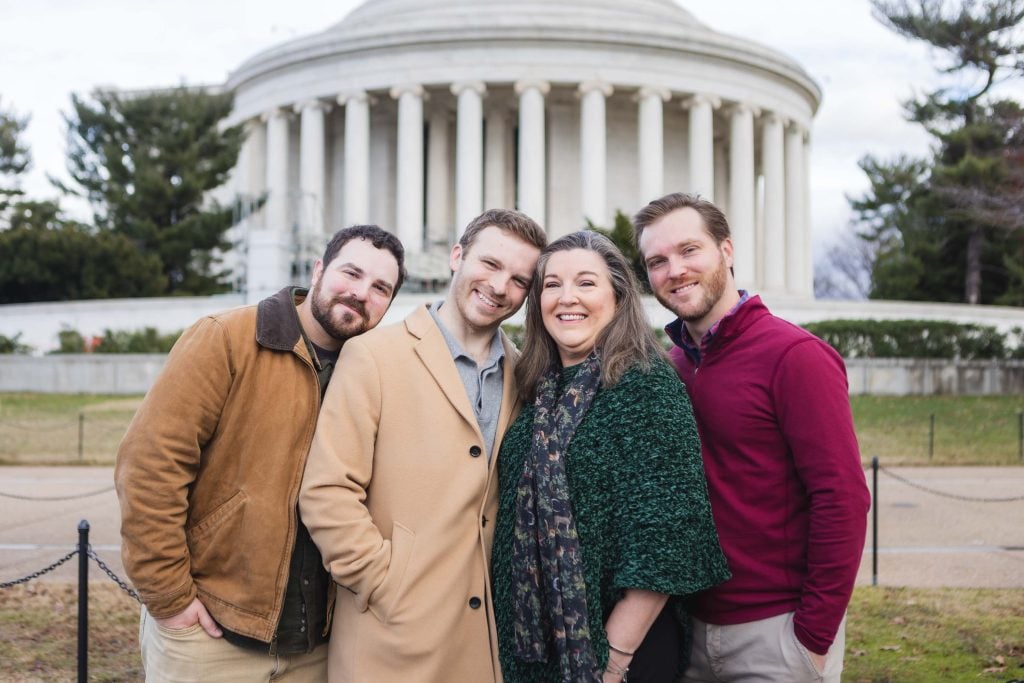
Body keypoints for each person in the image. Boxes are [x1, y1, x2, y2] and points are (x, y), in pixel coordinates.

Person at [114, 225, 406, 682]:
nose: (361, 293)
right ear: (319, 269)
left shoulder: (373, 373)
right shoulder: (226, 338)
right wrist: (171, 601)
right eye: (352, 273)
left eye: (380, 288)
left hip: (317, 646)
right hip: (211, 635)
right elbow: (149, 469)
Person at [298, 208, 547, 682]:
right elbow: (327, 491)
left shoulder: (525, 371)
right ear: (457, 256)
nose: (499, 287)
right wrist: (384, 583)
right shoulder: (372, 355)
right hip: (391, 637)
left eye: (519, 279)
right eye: (490, 264)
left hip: (485, 642)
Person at [633, 192, 871, 683]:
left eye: (688, 250)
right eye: (657, 261)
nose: (674, 270)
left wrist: (813, 637)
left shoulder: (796, 356)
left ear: (727, 250)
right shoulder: (669, 368)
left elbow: (842, 498)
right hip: (688, 630)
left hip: (777, 635)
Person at [490, 230, 730, 683]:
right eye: (552, 284)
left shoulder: (645, 386)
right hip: (536, 647)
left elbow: (666, 541)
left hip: (623, 651)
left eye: (585, 283)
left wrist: (614, 660)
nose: (567, 298)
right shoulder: (537, 388)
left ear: (618, 298)